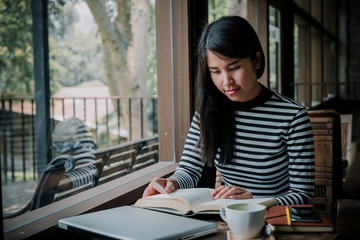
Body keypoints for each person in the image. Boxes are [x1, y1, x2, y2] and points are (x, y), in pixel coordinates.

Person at [143, 16, 315, 205]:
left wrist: (256, 202)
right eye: (216, 71)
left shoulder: (292, 116)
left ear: (256, 61)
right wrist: (171, 183)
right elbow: (189, 170)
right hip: (228, 219)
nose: (226, 82)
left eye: (233, 68)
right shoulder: (209, 111)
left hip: (275, 223)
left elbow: (303, 196)